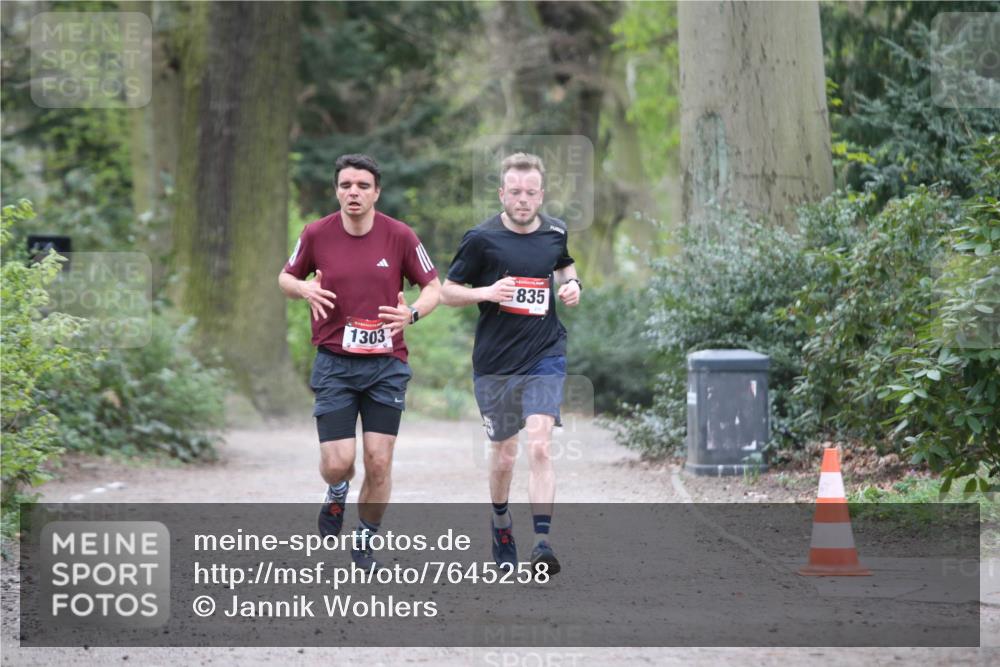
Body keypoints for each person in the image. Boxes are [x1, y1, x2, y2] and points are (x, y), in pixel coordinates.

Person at [279, 154, 440, 568]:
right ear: (337, 190)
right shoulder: (316, 234)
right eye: (347, 185)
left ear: (376, 192)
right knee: (338, 465)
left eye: (363, 185)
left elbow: (433, 287)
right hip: (334, 362)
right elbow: (286, 277)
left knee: (379, 460)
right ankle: (336, 493)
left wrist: (412, 314)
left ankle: (366, 536)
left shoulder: (400, 235)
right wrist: (303, 289)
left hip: (386, 364)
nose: (354, 192)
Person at [440, 152, 581, 575]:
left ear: (542, 195)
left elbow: (563, 264)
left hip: (544, 354)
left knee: (539, 444)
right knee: (504, 456)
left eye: (530, 192)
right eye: (515, 192)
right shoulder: (480, 239)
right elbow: (447, 291)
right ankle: (501, 521)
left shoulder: (556, 231)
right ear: (502, 193)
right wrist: (486, 293)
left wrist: (573, 284)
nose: (523, 200)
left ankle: (542, 543)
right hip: (495, 363)